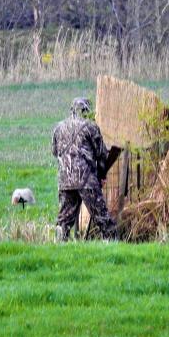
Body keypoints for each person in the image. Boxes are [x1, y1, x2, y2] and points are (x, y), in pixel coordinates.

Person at [52, 97, 117, 241]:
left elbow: (55, 152)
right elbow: (102, 155)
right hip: (86, 179)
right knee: (101, 216)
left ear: (72, 110)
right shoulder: (91, 127)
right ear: (86, 111)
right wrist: (101, 175)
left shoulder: (58, 127)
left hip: (65, 180)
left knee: (64, 219)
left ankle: (57, 246)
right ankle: (113, 244)